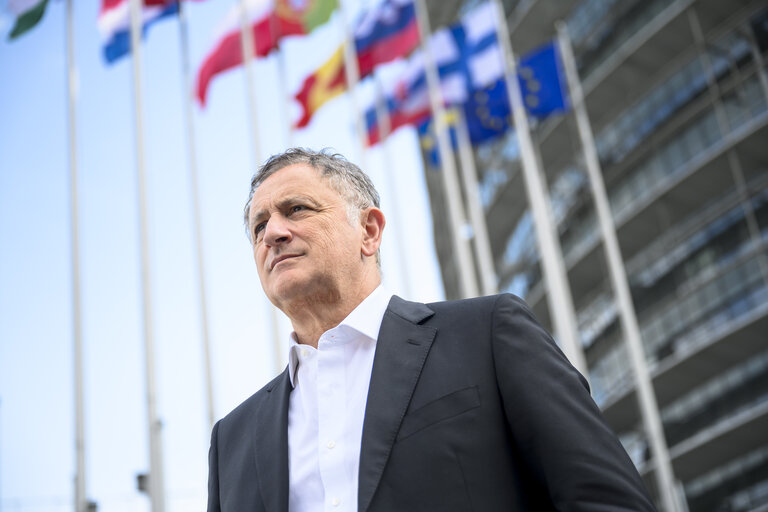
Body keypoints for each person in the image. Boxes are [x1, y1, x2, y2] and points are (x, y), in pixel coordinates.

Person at [207, 148, 656, 512]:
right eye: (259, 226)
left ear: (369, 230)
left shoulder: (487, 336)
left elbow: (606, 500)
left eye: (296, 209)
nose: (273, 234)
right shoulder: (231, 442)